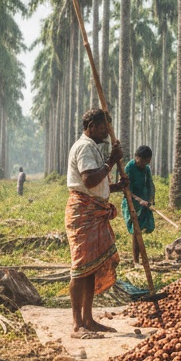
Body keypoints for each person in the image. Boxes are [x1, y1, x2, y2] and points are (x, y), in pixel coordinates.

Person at [65, 109, 126, 335]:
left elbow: (98, 182)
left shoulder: (93, 148)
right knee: (80, 267)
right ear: (90, 126)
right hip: (84, 213)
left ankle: (88, 319)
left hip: (95, 211)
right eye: (102, 128)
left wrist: (117, 187)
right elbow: (89, 180)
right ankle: (77, 323)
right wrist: (111, 161)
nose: (106, 133)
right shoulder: (84, 147)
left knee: (91, 267)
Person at [122, 145, 156, 264]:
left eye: (147, 162)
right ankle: (136, 261)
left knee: (140, 230)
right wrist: (138, 200)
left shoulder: (146, 169)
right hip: (131, 201)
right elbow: (126, 190)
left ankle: (142, 259)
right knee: (136, 231)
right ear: (136, 157)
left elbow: (150, 184)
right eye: (142, 161)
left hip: (144, 202)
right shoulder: (129, 168)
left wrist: (150, 199)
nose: (144, 164)